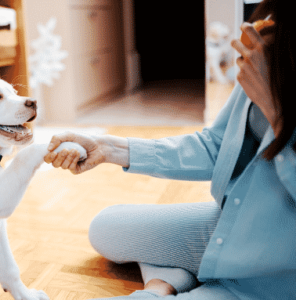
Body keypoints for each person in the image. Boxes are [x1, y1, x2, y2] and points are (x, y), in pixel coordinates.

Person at [44, 1, 296, 299]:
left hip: (277, 273)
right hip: (237, 223)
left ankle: (158, 289)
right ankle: (174, 279)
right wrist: (108, 148)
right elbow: (216, 145)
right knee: (106, 227)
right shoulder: (271, 49)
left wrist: (275, 111)